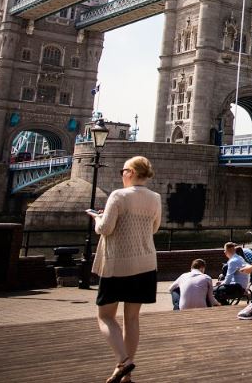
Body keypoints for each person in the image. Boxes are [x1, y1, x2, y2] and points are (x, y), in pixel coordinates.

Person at [87, 156, 161, 383]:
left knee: (105, 316)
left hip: (119, 264)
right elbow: (155, 228)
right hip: (146, 264)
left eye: (123, 171)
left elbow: (106, 228)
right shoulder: (155, 198)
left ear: (130, 172)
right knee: (132, 318)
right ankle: (125, 377)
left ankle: (124, 361)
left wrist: (97, 218)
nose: (122, 175)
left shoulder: (118, 195)